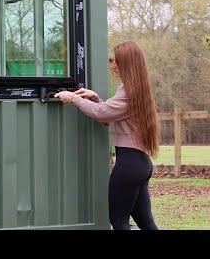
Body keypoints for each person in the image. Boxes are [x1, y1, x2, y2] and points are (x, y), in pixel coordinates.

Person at [55, 40, 160, 230]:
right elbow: (109, 116)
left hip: (129, 164)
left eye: (116, 62)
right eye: (112, 61)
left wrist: (74, 98)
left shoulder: (129, 92)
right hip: (140, 164)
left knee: (119, 222)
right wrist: (95, 99)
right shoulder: (135, 89)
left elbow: (102, 113)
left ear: (128, 64)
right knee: (146, 222)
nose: (112, 65)